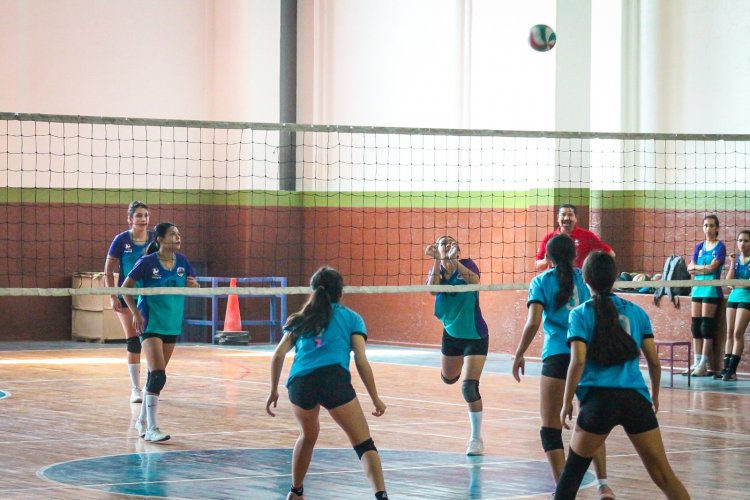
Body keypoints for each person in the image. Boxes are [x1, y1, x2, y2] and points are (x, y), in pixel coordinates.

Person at [554, 252, 689, 500]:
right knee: (664, 476)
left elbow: (579, 360)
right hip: (635, 400)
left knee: (571, 477)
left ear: (585, 279)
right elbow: (654, 363)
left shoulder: (580, 314)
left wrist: (566, 402)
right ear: (615, 278)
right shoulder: (638, 313)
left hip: (598, 402)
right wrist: (654, 397)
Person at [266, 267, 388, 500]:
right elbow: (361, 361)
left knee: (308, 435)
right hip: (333, 379)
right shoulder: (351, 318)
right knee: (363, 443)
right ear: (341, 292)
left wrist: (273, 391)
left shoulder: (299, 319)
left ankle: (296, 491)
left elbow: (278, 355)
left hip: (300, 383)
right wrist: (375, 397)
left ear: (312, 291)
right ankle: (381, 496)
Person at [513, 235, 614, 499]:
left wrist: (519, 353)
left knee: (550, 428)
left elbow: (534, 322)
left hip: (557, 355)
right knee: (592, 424)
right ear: (575, 254)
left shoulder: (540, 281)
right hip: (588, 353)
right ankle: (603, 484)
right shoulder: (586, 277)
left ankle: (563, 490)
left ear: (547, 257)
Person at [122, 222, 199, 443]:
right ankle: (152, 428)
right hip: (151, 323)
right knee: (158, 375)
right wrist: (135, 313)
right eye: (173, 234)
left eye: (178, 234)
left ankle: (142, 422)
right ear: (160, 239)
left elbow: (192, 284)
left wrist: (193, 286)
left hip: (172, 323)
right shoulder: (147, 262)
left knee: (155, 376)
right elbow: (125, 288)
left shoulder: (183, 262)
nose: (178, 237)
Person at [425, 235, 488, 455]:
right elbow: (432, 290)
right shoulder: (437, 272)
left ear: (458, 249)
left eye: (451, 243)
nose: (447, 245)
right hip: (451, 334)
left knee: (469, 387)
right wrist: (437, 261)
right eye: (443, 243)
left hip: (475, 335)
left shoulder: (468, 266)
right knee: (449, 378)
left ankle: (476, 439)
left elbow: (475, 282)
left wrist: (455, 262)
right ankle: (458, 366)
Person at [105, 200, 155, 404]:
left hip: (149, 297)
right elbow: (108, 270)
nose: (143, 219)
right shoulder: (121, 240)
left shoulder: (154, 239)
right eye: (139, 216)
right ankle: (135, 388)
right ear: (130, 219)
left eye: (146, 215)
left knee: (151, 340)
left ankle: (151, 386)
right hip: (127, 296)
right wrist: (112, 295)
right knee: (133, 341)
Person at [686, 214, 726, 377]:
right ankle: (696, 362)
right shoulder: (699, 246)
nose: (708, 228)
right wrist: (701, 268)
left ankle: (704, 364)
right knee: (695, 327)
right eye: (706, 225)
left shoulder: (720, 247)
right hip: (697, 288)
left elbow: (712, 268)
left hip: (711, 289)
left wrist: (697, 269)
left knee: (706, 327)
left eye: (711, 225)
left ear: (717, 228)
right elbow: (690, 268)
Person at [535, 204, 615, 271]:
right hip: (555, 281)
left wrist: (593, 267)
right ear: (558, 218)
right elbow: (538, 266)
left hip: (579, 281)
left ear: (576, 218)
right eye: (563, 215)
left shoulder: (587, 236)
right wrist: (546, 261)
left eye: (570, 215)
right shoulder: (549, 238)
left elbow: (611, 253)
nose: (566, 218)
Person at [718, 230, 750, 381]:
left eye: (746, 241)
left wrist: (738, 284)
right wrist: (732, 263)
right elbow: (729, 282)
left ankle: (732, 370)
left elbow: (747, 285)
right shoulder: (737, 260)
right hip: (734, 296)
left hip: (747, 298)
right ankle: (726, 369)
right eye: (740, 240)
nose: (742, 243)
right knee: (729, 332)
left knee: (738, 333)